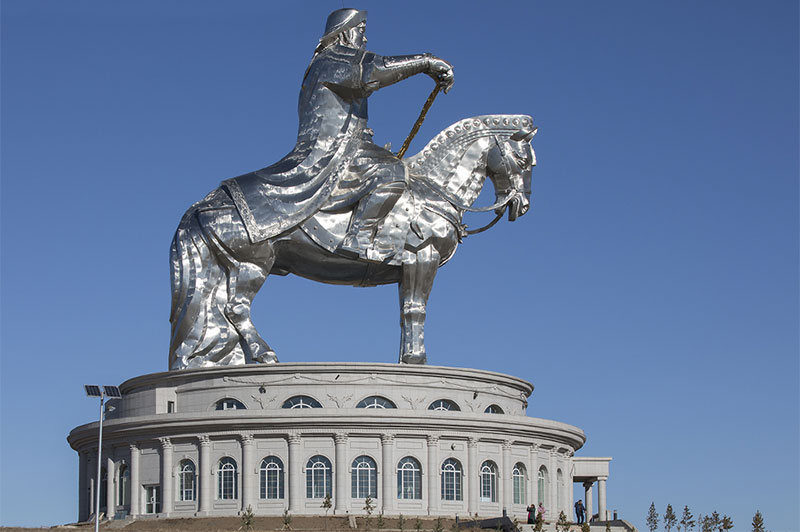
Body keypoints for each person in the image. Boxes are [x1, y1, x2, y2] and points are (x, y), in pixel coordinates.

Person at [223, 8, 454, 261]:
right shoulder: (332, 60)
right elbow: (375, 71)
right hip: (332, 151)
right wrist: (425, 61)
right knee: (392, 172)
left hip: (346, 145)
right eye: (361, 31)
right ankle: (359, 237)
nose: (364, 39)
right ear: (344, 33)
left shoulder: (328, 63)